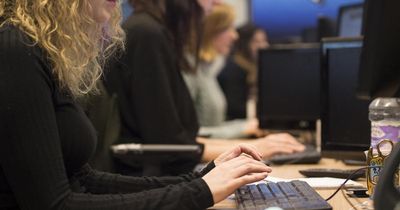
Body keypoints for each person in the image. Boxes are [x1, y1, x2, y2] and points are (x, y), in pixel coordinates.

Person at [0, 0, 273, 209]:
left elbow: (85, 179)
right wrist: (200, 192)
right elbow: (55, 204)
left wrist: (202, 179)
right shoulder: (15, 48)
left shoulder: (44, 51)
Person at [106, 0, 305, 176]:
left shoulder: (154, 32)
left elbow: (179, 140)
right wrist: (251, 147)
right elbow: (170, 146)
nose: (218, 3)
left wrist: (248, 147)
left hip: (162, 178)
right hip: (151, 182)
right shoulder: (147, 33)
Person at [183, 3, 261, 139]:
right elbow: (190, 136)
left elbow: (216, 127)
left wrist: (251, 126)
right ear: (209, 31)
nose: (235, 36)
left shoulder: (204, 71)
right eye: (227, 28)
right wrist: (243, 129)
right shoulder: (188, 70)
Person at [218, 24, 270, 120]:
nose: (263, 46)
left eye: (264, 41)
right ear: (244, 43)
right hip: (234, 124)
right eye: (256, 42)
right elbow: (234, 107)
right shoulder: (234, 69)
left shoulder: (256, 68)